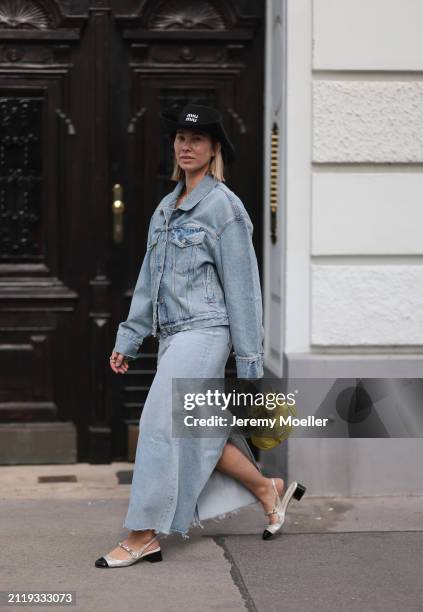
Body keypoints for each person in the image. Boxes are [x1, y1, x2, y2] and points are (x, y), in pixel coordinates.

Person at [95, 104, 306, 568]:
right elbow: (149, 281)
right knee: (201, 426)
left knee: (158, 423)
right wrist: (128, 339)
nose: (186, 146)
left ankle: (143, 532)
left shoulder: (224, 208)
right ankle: (267, 490)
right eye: (180, 139)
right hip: (173, 335)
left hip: (207, 332)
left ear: (214, 151)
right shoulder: (164, 209)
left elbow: (245, 289)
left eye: (197, 140)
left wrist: (250, 359)